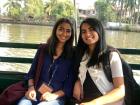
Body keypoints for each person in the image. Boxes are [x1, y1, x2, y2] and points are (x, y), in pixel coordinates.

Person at [18, 18, 74, 105]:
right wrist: (31, 88)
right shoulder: (43, 49)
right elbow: (31, 73)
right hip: (35, 92)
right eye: (60, 29)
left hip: (56, 97)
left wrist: (54, 95)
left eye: (68, 31)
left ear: (71, 33)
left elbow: (69, 84)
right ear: (55, 30)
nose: (64, 33)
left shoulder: (72, 55)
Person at [73, 18, 125, 105]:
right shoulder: (82, 54)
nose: (87, 34)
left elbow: (120, 90)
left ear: (99, 31)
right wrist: (78, 81)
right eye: (83, 31)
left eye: (91, 29)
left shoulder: (111, 55)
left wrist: (93, 103)